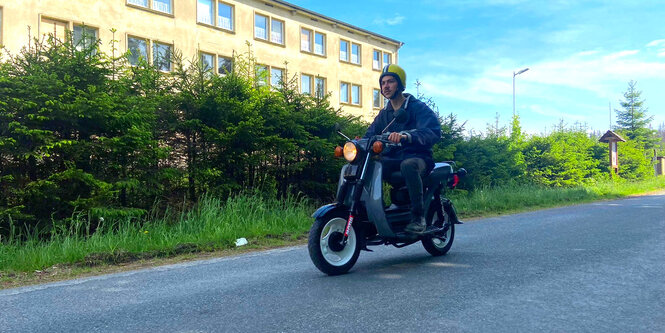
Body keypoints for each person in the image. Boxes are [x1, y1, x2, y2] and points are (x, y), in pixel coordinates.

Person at [363, 64, 441, 234]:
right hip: (394, 158)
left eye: (390, 81)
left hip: (418, 157)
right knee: (371, 165)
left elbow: (433, 131)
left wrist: (407, 136)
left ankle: (418, 218)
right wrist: (358, 143)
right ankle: (372, 213)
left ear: (399, 84)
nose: (386, 86)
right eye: (383, 82)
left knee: (408, 165)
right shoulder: (385, 114)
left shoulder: (416, 107)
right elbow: (370, 134)